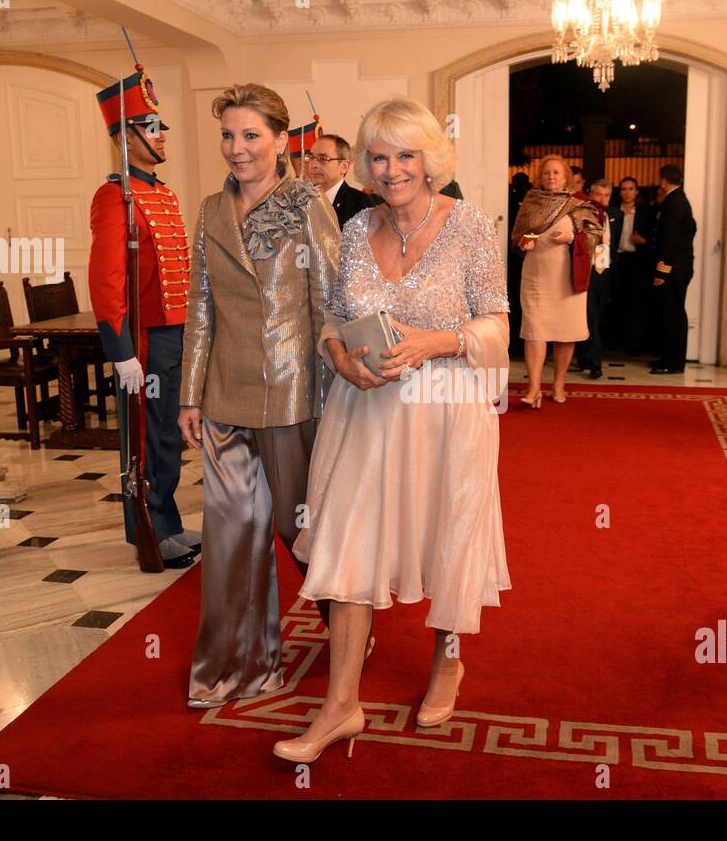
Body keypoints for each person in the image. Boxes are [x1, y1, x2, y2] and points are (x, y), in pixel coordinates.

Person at [274, 97, 512, 762]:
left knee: (447, 536)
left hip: (446, 409)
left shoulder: (468, 226)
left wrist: (435, 342)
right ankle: (340, 706)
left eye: (405, 154)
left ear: (430, 158)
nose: (392, 168)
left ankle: (449, 658)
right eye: (379, 156)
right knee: (350, 541)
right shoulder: (355, 230)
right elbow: (328, 318)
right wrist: (341, 359)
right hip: (365, 414)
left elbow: (498, 324)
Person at [178, 83, 339, 708]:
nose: (237, 149)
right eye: (228, 135)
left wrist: (336, 399)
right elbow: (199, 308)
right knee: (231, 533)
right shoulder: (209, 211)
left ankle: (347, 631)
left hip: (294, 393)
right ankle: (237, 667)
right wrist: (189, 396)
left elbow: (328, 305)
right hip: (224, 394)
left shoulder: (306, 205)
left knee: (303, 528)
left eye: (251, 136)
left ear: (280, 139)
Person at [88, 60, 196, 569]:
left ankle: (168, 518)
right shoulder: (115, 197)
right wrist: (121, 351)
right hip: (146, 339)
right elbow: (107, 280)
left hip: (176, 334)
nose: (162, 138)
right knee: (146, 434)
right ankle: (148, 529)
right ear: (127, 137)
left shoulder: (162, 193)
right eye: (152, 129)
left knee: (169, 431)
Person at [512, 154, 604, 407]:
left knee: (565, 332)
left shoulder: (580, 204)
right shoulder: (531, 201)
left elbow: (596, 234)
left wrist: (573, 236)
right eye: (546, 173)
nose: (550, 177)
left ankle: (559, 383)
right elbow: (518, 236)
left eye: (556, 173)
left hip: (568, 277)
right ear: (540, 177)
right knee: (534, 330)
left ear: (566, 177)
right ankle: (533, 389)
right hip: (536, 276)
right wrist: (523, 241)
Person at [649, 164, 697, 374]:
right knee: (671, 314)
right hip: (679, 268)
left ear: (663, 181)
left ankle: (673, 362)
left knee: (673, 315)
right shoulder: (679, 200)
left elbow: (669, 240)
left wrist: (661, 272)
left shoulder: (673, 203)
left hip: (674, 270)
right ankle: (668, 357)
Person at [606, 176, 653, 354]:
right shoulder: (613, 211)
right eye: (624, 189)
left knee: (635, 303)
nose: (627, 192)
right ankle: (614, 341)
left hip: (636, 262)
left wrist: (643, 241)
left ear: (637, 191)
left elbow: (653, 240)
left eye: (631, 189)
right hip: (616, 260)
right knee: (615, 301)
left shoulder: (644, 212)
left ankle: (634, 344)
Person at [577, 179, 614, 379]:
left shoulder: (606, 215)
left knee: (595, 317)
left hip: (601, 269)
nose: (602, 199)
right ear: (590, 193)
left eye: (607, 195)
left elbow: (605, 244)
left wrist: (603, 271)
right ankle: (594, 363)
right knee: (590, 318)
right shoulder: (583, 212)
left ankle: (586, 357)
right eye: (599, 194)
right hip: (585, 270)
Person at [306, 133, 372, 228]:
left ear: (344, 167)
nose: (314, 165)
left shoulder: (358, 203)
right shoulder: (303, 201)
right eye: (311, 157)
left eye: (323, 159)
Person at [506, 172, 532, 356]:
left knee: (517, 300)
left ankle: (517, 345)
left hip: (523, 255)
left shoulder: (531, 199)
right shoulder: (512, 196)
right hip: (517, 253)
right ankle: (515, 344)